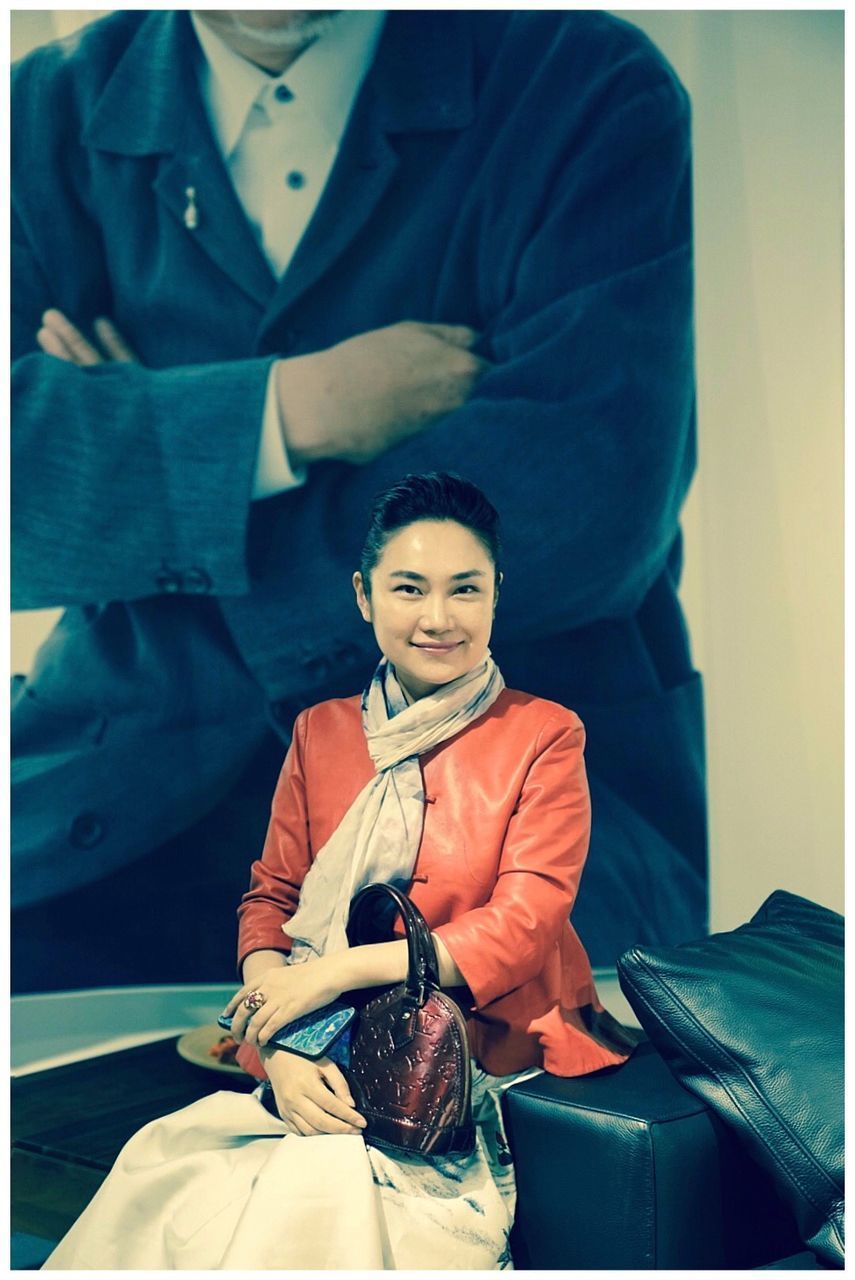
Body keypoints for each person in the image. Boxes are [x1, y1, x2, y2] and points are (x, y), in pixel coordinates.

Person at [11, 9, 704, 989]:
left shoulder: (585, 81)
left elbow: (584, 506)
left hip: (501, 808)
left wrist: (148, 460)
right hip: (116, 799)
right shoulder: (40, 112)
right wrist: (300, 409)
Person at [42, 472, 641, 1270]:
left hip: (481, 1049)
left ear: (496, 594)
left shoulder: (543, 733)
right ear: (363, 596)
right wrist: (282, 1045)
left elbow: (524, 927)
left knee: (311, 1212)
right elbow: (271, 902)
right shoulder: (319, 732)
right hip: (322, 1044)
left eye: (464, 589)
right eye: (408, 588)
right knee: (166, 1179)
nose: (437, 618)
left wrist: (331, 977)